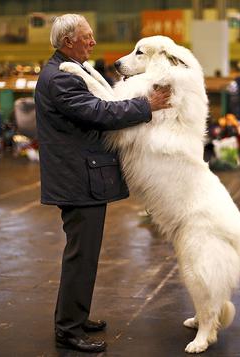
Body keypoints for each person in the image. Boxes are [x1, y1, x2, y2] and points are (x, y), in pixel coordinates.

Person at [34, 14, 172, 353]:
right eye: (87, 37)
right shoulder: (61, 79)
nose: (93, 42)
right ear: (68, 42)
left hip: (83, 177)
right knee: (81, 257)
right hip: (77, 180)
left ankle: (75, 318)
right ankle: (68, 329)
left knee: (86, 256)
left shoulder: (72, 70)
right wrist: (146, 105)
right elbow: (99, 112)